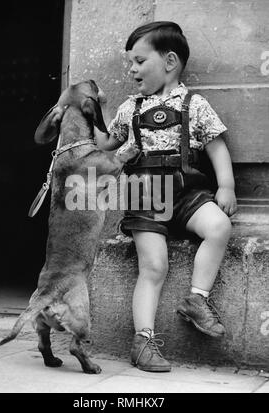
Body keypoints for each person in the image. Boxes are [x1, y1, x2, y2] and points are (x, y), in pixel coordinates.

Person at [94, 21, 237, 372]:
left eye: (139, 61)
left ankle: (196, 299)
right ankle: (143, 341)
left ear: (170, 61)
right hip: (146, 196)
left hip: (188, 193)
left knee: (218, 227)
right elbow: (106, 143)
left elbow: (217, 148)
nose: (131, 69)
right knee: (154, 266)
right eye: (130, 63)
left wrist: (226, 185)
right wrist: (92, 109)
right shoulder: (131, 108)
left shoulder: (196, 104)